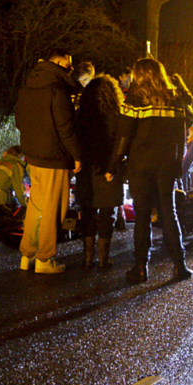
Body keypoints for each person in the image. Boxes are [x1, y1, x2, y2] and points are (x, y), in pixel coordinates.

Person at [108, 57, 193, 284]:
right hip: (167, 164)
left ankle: (140, 268)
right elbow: (187, 121)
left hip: (141, 165)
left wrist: (114, 163)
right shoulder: (175, 100)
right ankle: (179, 265)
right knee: (169, 213)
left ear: (140, 75)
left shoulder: (135, 99)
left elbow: (124, 134)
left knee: (143, 217)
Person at [14, 49, 82, 273]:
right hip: (54, 157)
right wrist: (77, 155)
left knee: (36, 205)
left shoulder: (28, 85)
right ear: (60, 62)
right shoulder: (56, 88)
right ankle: (45, 259)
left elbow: (19, 121)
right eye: (69, 63)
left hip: (33, 155)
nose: (71, 68)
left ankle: (27, 255)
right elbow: (66, 128)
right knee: (54, 209)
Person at [75, 74, 125, 269]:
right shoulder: (117, 115)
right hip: (108, 169)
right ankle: (104, 258)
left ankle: (88, 257)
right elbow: (120, 144)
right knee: (107, 213)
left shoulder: (81, 115)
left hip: (87, 168)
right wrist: (113, 167)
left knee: (87, 211)